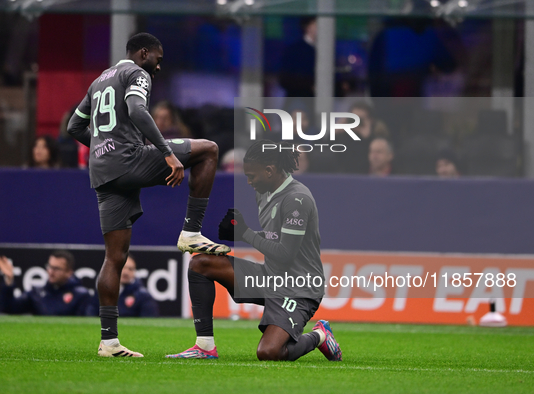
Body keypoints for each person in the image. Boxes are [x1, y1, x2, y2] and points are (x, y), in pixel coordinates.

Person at [66, 32, 230, 358]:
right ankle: (192, 232)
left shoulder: (99, 80)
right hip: (129, 160)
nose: (157, 67)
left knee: (114, 257)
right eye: (158, 59)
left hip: (102, 172)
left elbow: (74, 126)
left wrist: (102, 148)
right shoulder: (135, 73)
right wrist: (167, 152)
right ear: (143, 53)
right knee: (209, 150)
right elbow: (137, 110)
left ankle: (109, 342)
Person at [166, 140, 342, 362]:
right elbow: (276, 237)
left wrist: (245, 234)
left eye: (252, 176)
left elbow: (285, 253)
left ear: (270, 170)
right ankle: (204, 347)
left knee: (269, 353)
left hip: (299, 288)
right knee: (200, 264)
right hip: (270, 278)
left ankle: (319, 335)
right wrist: (242, 233)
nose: (248, 182)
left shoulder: (297, 199)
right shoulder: (265, 191)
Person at [0, 250, 92, 316]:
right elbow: (9, 308)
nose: (51, 272)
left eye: (56, 269)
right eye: (50, 267)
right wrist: (9, 279)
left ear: (69, 273)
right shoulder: (36, 293)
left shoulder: (81, 295)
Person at [87, 254, 159, 317]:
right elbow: (90, 315)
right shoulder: (103, 291)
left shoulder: (143, 296)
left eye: (130, 269)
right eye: (122, 267)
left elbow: (149, 320)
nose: (126, 272)